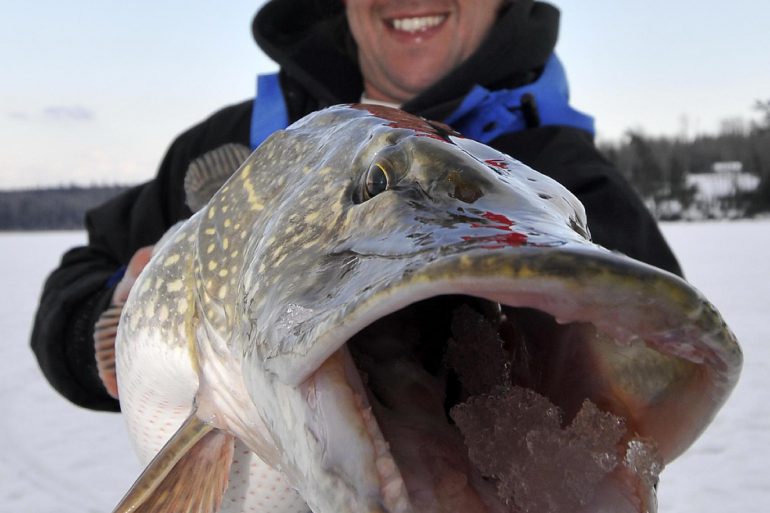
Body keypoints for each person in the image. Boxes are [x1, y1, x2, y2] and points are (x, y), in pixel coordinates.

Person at [30, 0, 682, 412]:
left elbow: (646, 378)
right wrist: (120, 324)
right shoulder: (234, 149)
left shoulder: (569, 181)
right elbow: (77, 288)